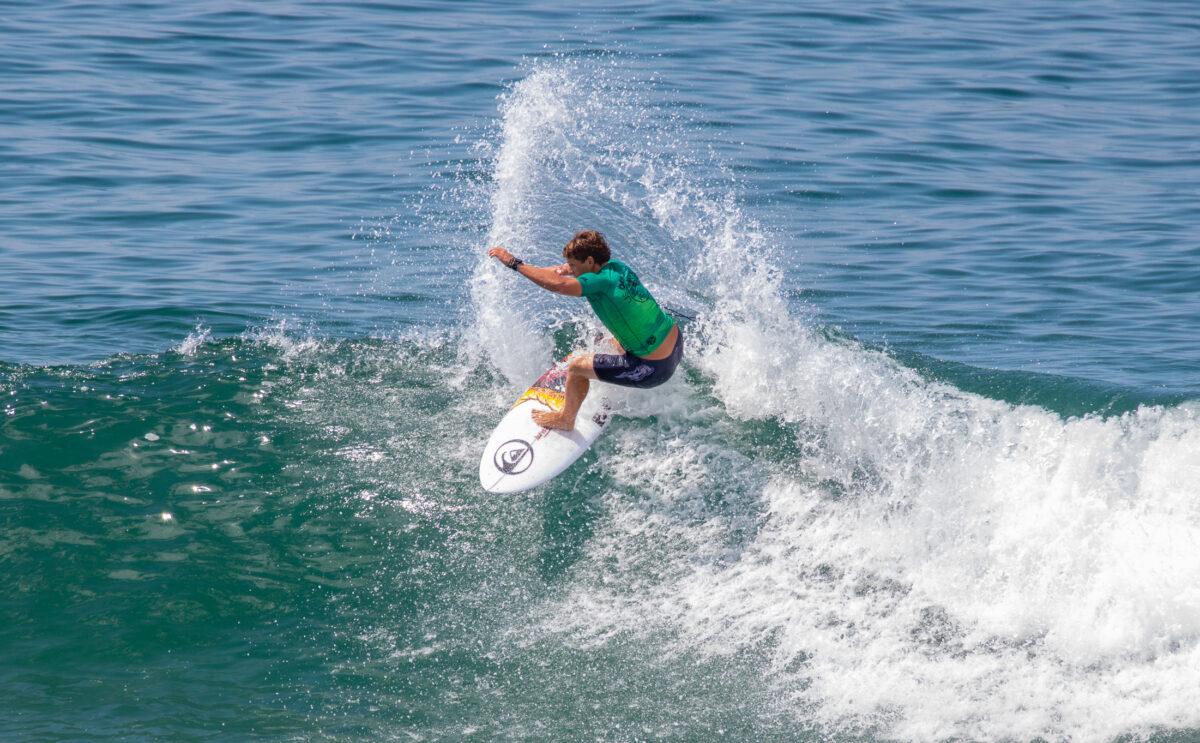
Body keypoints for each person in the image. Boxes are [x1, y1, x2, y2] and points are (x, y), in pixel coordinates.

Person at [487, 230, 682, 431]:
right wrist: (568, 269)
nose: (569, 269)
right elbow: (562, 274)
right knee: (605, 341)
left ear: (590, 261)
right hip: (675, 345)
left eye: (573, 266)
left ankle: (565, 419)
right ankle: (613, 376)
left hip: (654, 370)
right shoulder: (617, 268)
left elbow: (559, 285)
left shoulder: (599, 284)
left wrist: (514, 263)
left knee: (576, 368)